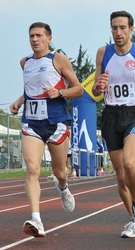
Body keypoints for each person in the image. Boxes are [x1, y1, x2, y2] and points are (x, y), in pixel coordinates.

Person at [9, 22, 83, 237]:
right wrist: (20, 100)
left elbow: (78, 90)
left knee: (60, 172)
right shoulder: (25, 62)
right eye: (31, 35)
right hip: (32, 122)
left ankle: (62, 187)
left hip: (56, 122)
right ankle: (36, 219)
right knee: (32, 168)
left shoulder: (58, 59)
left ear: (49, 39)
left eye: (39, 35)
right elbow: (31, 89)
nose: (34, 39)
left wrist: (59, 93)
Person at [91, 10, 135, 238]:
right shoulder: (103, 53)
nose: (117, 32)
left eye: (122, 28)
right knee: (120, 174)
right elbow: (94, 90)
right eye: (114, 28)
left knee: (130, 163)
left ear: (131, 29)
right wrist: (99, 86)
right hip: (111, 115)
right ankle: (133, 220)